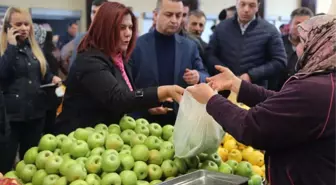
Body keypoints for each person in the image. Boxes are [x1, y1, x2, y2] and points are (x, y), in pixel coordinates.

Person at [187, 15, 336, 185]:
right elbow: (284, 105)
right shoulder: (325, 83)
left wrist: (211, 100)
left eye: (303, 42)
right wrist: (238, 85)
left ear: (321, 45)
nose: (297, 49)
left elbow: (252, 127)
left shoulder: (316, 89)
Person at [54, 2, 184, 135]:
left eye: (130, 27)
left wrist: (147, 107)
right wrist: (162, 91)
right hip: (77, 137)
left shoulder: (119, 58)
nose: (128, 33)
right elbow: (118, 98)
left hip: (105, 136)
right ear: (106, 28)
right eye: (122, 28)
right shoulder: (90, 60)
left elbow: (127, 96)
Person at [0, 7, 61, 173]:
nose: (24, 28)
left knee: (31, 166)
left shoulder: (34, 48)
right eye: (18, 24)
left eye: (27, 24)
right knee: (5, 165)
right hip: (10, 119)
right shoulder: (4, 49)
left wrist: (51, 78)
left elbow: (43, 72)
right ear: (8, 27)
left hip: (35, 115)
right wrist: (11, 47)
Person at [130, 0, 208, 125]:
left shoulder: (189, 47)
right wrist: (145, 107)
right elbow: (128, 85)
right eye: (169, 14)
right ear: (155, 15)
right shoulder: (136, 46)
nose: (174, 20)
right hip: (143, 122)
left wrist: (198, 76)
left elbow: (205, 76)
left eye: (179, 15)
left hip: (181, 121)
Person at [206, 0, 286, 88]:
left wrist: (251, 75)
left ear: (258, 6)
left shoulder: (270, 30)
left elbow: (280, 61)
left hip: (254, 90)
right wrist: (224, 72)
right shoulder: (221, 27)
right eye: (242, 4)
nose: (246, 9)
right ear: (236, 4)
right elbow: (210, 54)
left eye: (252, 5)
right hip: (223, 87)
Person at [270, 7, 314, 91]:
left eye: (305, 23)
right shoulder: (276, 43)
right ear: (290, 24)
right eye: (297, 23)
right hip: (274, 92)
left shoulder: (314, 47)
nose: (301, 27)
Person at [67, 0, 107, 71]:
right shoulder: (81, 38)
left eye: (100, 13)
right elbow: (73, 67)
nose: (95, 16)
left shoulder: (114, 39)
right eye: (93, 12)